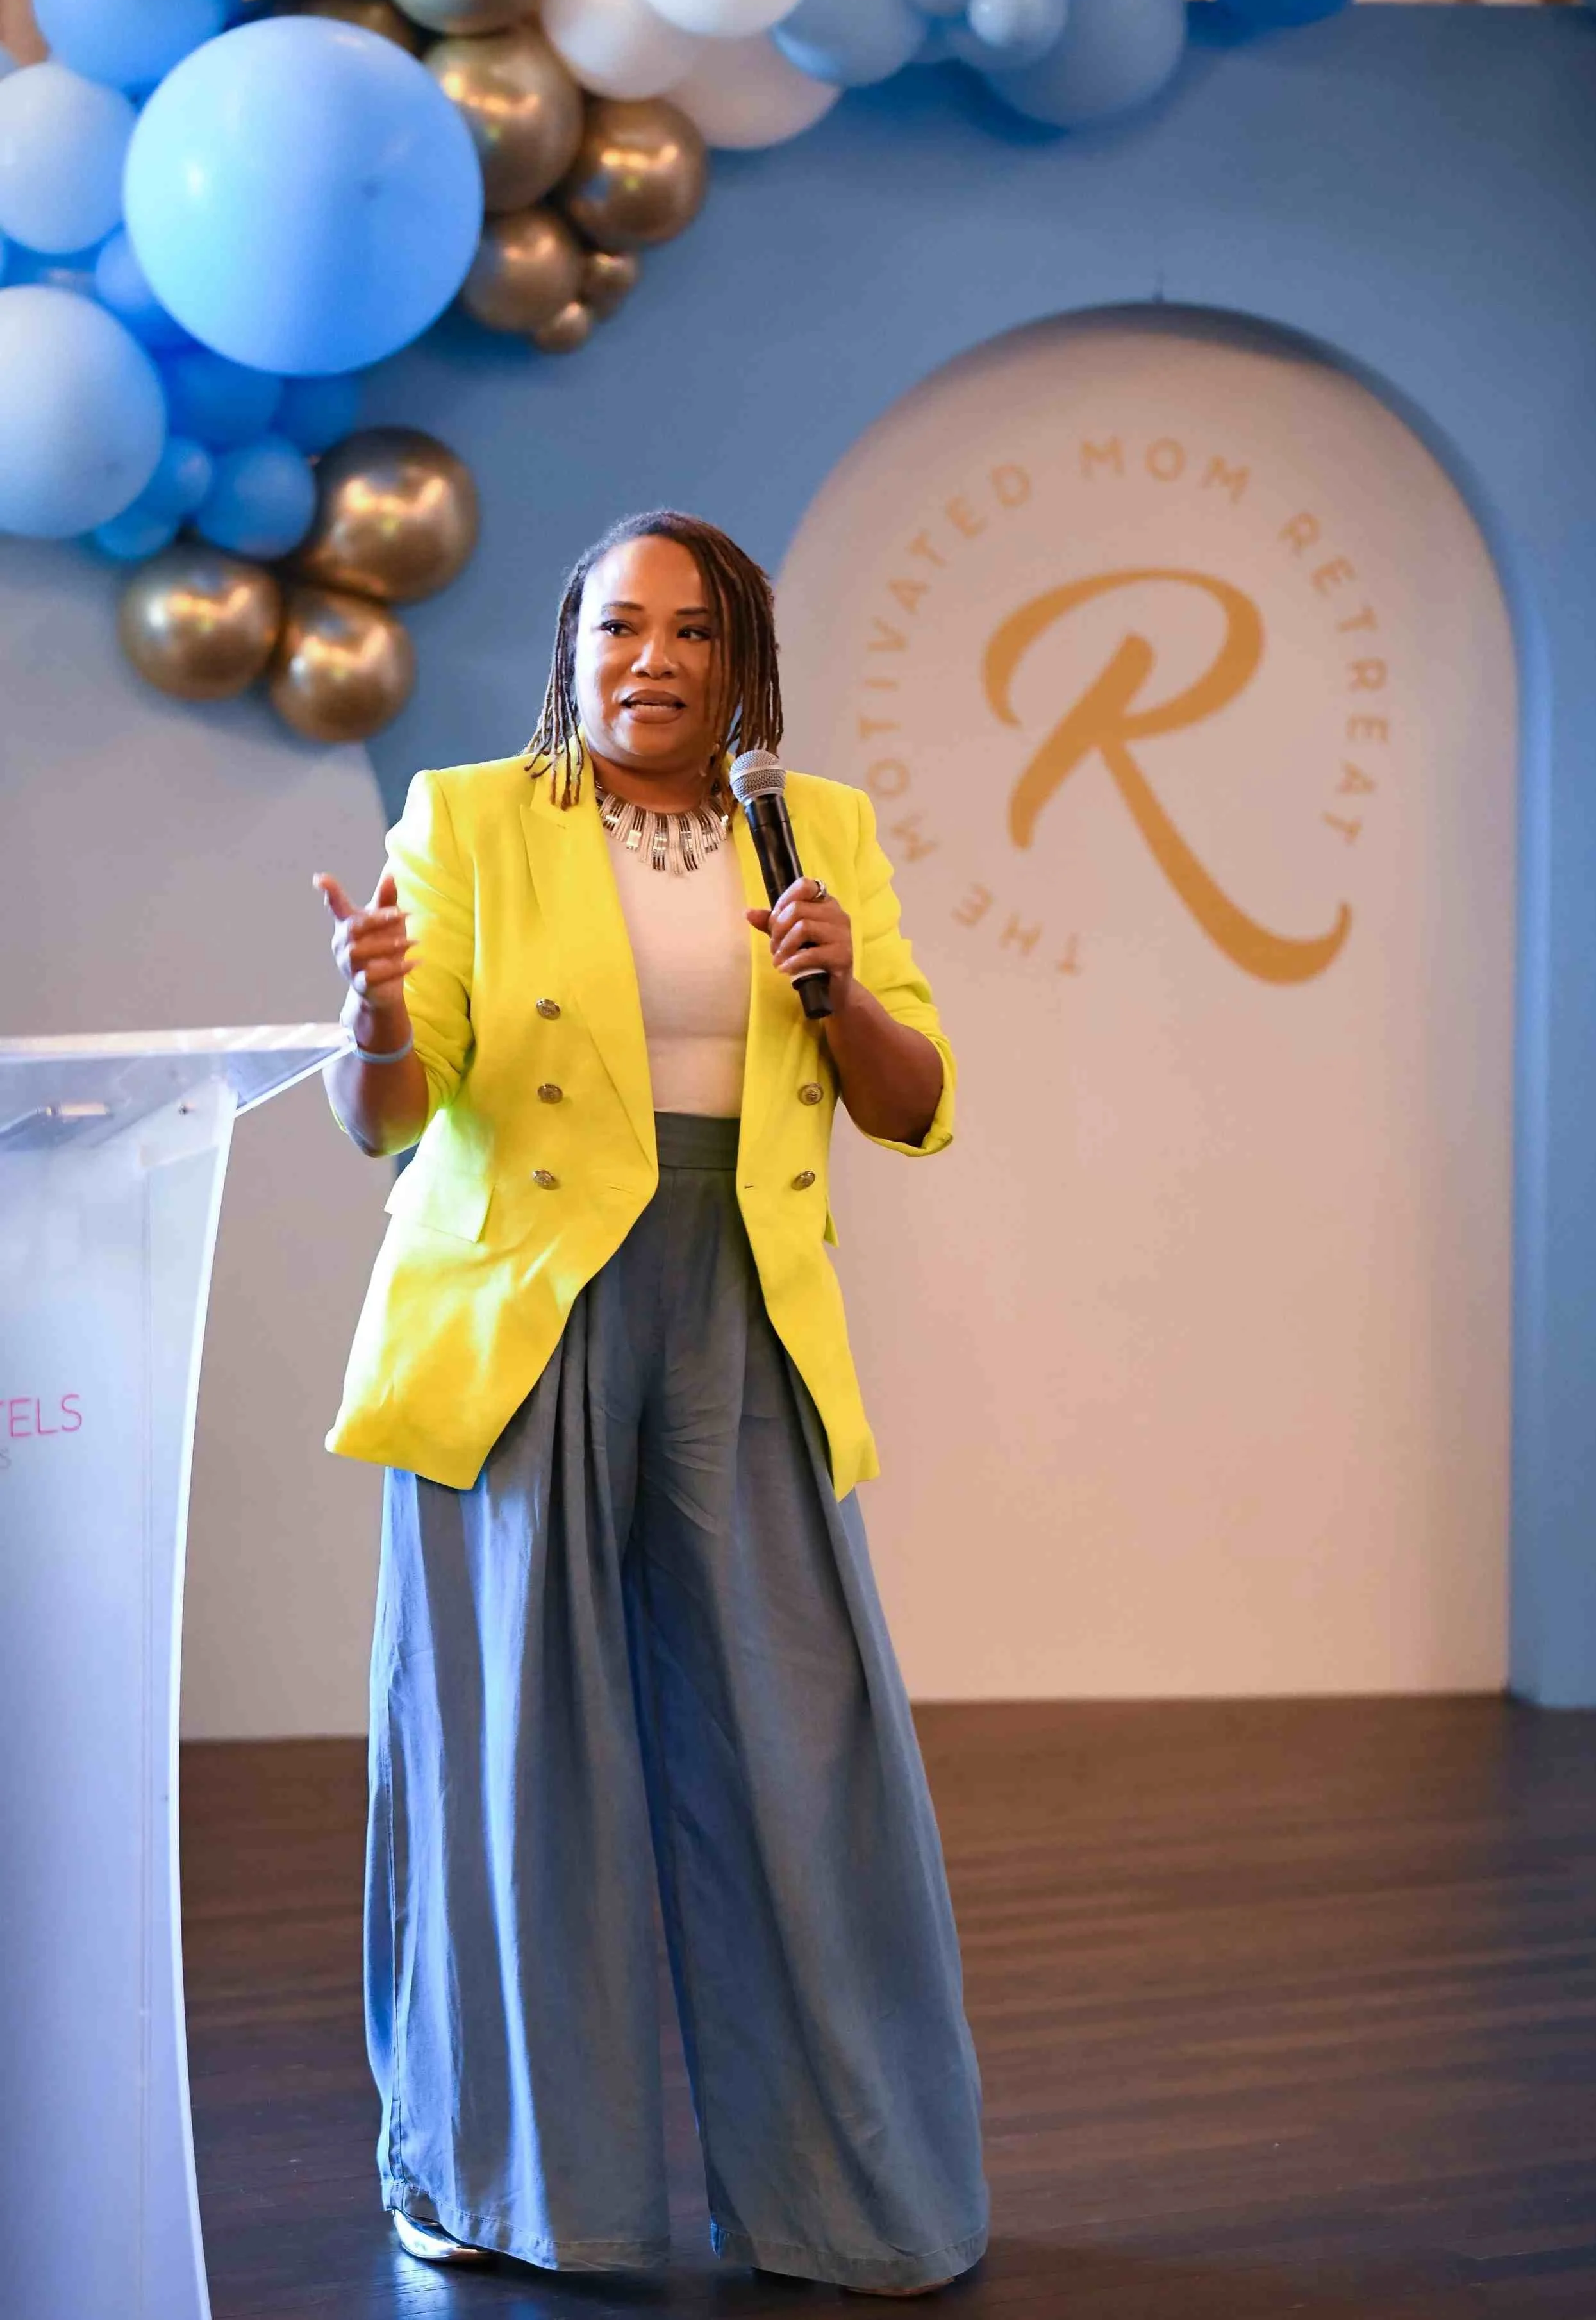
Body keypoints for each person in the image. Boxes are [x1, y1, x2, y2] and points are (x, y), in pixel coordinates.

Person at [312, 510, 988, 2296]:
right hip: (521, 1326)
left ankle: (848, 2201)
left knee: (799, 1752)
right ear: (572, 643)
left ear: (740, 657)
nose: (653, 660)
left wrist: (835, 993)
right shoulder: (468, 817)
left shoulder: (814, 829)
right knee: (521, 1765)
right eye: (620, 626)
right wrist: (374, 1010)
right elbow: (396, 1107)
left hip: (740, 1323)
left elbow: (914, 1096)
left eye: (692, 631)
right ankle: (518, 2191)